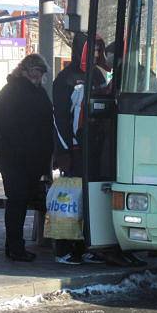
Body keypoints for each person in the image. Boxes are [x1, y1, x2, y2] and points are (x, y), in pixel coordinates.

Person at [0, 54, 54, 262]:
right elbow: (4, 121)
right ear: (25, 70)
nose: (39, 76)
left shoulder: (37, 91)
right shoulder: (13, 90)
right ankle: (15, 247)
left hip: (29, 158)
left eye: (41, 72)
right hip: (15, 157)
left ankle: (14, 245)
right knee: (17, 201)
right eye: (36, 71)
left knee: (20, 201)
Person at [51, 34, 108, 265]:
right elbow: (59, 119)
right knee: (70, 201)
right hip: (74, 150)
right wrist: (63, 151)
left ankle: (87, 245)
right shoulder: (64, 79)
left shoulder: (96, 75)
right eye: (91, 50)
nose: (95, 54)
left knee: (90, 200)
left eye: (97, 50)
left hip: (95, 147)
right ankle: (64, 248)